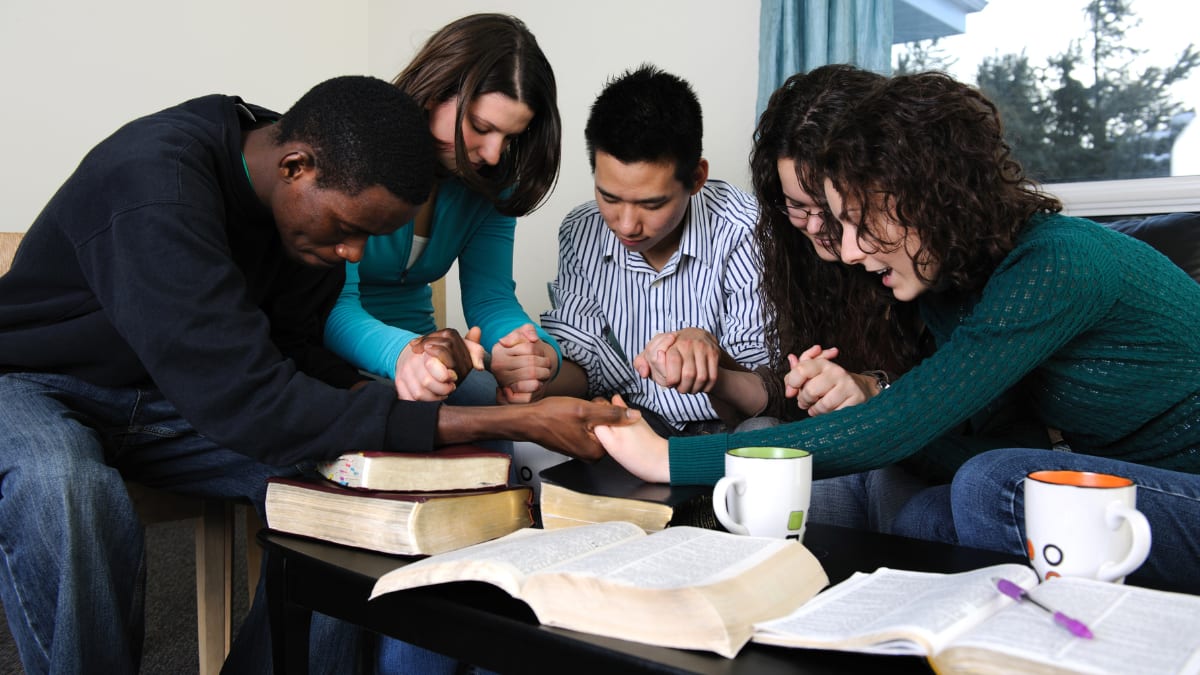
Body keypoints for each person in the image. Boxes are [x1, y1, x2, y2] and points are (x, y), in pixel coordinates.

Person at [0, 75, 635, 675]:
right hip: (32, 384)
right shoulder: (153, 182)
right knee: (65, 487)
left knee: (360, 484)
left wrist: (378, 395)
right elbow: (253, 402)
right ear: (295, 167)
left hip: (172, 401)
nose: (352, 256)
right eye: (350, 231)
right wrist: (515, 417)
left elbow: (296, 354)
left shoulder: (309, 204)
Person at [594, 71, 1200, 588]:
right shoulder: (951, 287)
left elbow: (912, 431)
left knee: (994, 484)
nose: (849, 250)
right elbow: (932, 433)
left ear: (934, 199)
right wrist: (872, 399)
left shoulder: (1058, 265)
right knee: (923, 518)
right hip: (1106, 482)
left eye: (859, 223)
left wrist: (668, 459)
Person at [324, 13, 564, 408]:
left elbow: (491, 300)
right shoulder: (352, 156)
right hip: (343, 357)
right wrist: (410, 353)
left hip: (429, 364)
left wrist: (532, 352)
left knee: (493, 408)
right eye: (481, 127)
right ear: (435, 94)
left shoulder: (493, 184)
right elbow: (335, 308)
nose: (492, 153)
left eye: (510, 138)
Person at [540, 64, 768, 436]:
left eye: (651, 204)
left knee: (763, 434)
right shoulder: (580, 230)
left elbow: (764, 385)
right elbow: (582, 358)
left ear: (696, 178)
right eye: (609, 197)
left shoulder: (745, 228)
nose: (626, 225)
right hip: (632, 423)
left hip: (727, 428)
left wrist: (709, 352)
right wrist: (538, 368)